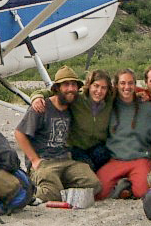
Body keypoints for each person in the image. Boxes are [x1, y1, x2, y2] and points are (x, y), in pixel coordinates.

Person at [15, 66, 101, 203]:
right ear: (57, 88)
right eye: (66, 85)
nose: (71, 89)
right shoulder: (41, 106)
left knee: (93, 184)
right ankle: (31, 190)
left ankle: (55, 186)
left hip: (66, 160)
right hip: (45, 162)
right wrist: (34, 160)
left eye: (74, 85)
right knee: (53, 193)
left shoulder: (74, 105)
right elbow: (19, 133)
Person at [96, 68, 151, 200]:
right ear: (116, 85)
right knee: (99, 192)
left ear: (135, 85)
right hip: (115, 159)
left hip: (140, 159)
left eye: (130, 83)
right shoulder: (109, 106)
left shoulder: (147, 108)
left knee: (143, 193)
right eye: (122, 83)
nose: (126, 87)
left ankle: (128, 186)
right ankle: (124, 185)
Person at [29, 68, 114, 171]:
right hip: (76, 148)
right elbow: (53, 92)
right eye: (96, 86)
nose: (99, 91)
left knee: (104, 157)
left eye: (103, 88)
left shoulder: (110, 100)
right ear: (89, 85)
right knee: (87, 167)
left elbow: (127, 93)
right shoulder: (77, 98)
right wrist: (37, 96)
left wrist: (139, 95)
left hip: (97, 147)